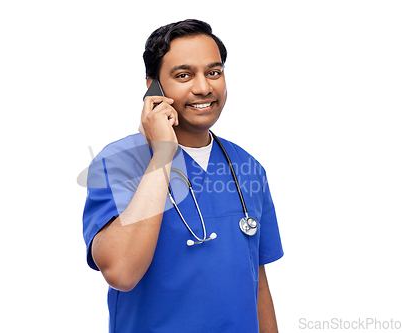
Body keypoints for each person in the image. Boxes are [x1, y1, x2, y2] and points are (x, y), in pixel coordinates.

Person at [83, 19, 283, 333]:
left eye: (214, 72)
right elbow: (121, 272)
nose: (204, 87)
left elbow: (257, 285)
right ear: (154, 87)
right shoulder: (120, 161)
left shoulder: (247, 167)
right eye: (184, 75)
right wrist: (163, 155)